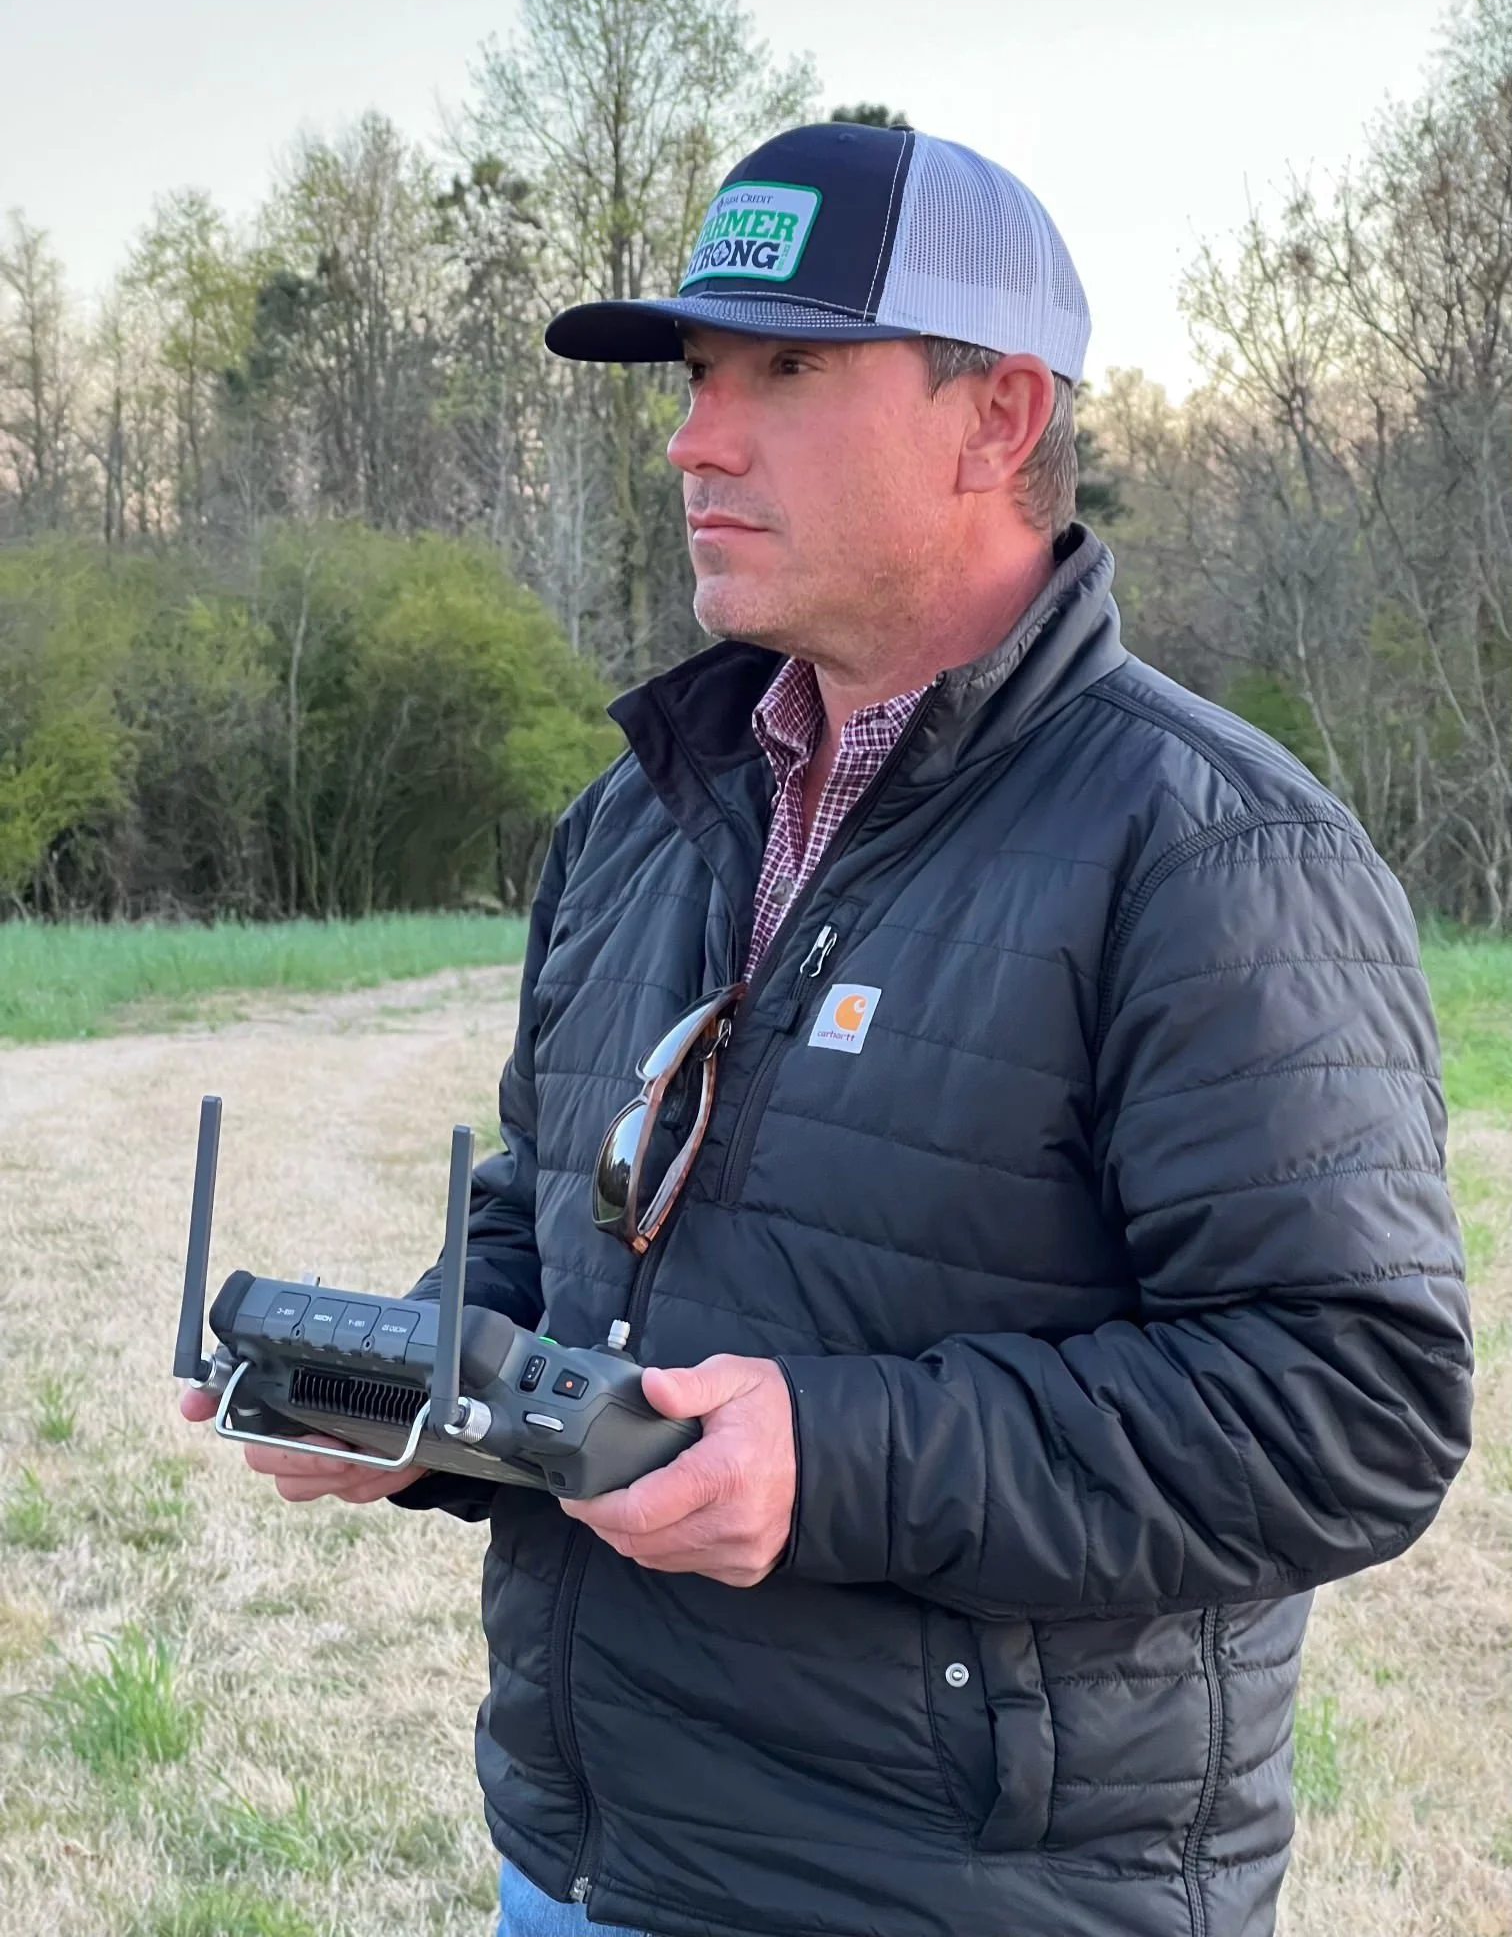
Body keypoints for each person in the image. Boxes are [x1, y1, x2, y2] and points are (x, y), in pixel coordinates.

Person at [182, 122, 1474, 1937]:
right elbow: (551, 1227)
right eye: (703, 375)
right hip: (583, 1861)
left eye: (785, 369)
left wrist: (832, 1461)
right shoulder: (638, 818)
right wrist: (423, 1396)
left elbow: (1355, 1408)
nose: (697, 436)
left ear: (999, 416)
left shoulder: (1210, 850)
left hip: (965, 1897)